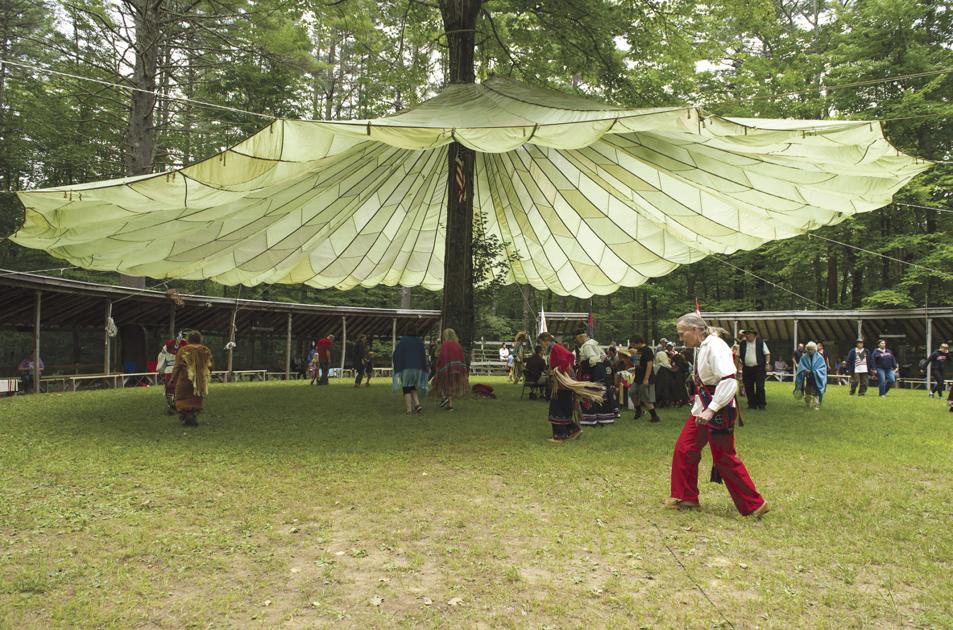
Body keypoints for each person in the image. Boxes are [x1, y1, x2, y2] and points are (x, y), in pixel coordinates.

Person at [669, 313, 769, 518]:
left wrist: (712, 409)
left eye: (682, 333)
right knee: (685, 448)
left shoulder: (715, 346)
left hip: (717, 409)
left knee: (724, 457)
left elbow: (729, 380)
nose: (680, 338)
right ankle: (687, 497)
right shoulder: (704, 346)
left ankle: (755, 504)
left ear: (695, 330)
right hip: (704, 407)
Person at [537, 332, 583, 442]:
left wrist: (558, 371)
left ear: (546, 340)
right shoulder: (556, 347)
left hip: (562, 382)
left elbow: (567, 358)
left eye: (541, 343)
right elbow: (570, 357)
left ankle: (560, 436)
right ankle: (573, 430)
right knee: (562, 405)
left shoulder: (556, 348)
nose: (541, 345)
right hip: (563, 381)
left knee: (557, 407)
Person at [169, 331, 213, 426]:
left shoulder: (183, 350)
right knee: (195, 399)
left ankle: (186, 417)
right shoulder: (205, 350)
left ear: (188, 339)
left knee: (181, 398)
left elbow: (177, 366)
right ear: (199, 339)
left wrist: (172, 379)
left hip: (185, 379)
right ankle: (192, 415)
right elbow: (210, 366)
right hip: (199, 381)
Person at [575, 328, 617, 425]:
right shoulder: (594, 343)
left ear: (581, 337)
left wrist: (589, 370)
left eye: (578, 339)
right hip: (600, 369)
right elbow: (603, 356)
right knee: (601, 392)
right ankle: (604, 417)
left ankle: (590, 418)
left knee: (591, 392)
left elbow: (593, 358)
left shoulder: (587, 345)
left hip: (592, 371)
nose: (578, 341)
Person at [432, 328, 469, 411]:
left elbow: (441, 355)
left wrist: (439, 360)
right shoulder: (458, 345)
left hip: (447, 368)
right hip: (457, 368)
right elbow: (461, 356)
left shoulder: (445, 345)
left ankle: (444, 397)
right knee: (451, 386)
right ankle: (450, 405)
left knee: (439, 383)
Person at [393, 335, 428, 414]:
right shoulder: (419, 341)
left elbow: (396, 354)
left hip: (406, 367)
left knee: (406, 388)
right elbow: (423, 355)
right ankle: (417, 404)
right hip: (417, 368)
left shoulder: (403, 341)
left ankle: (409, 410)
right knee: (412, 386)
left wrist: (398, 364)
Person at [630, 336, 660, 423]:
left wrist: (646, 379)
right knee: (632, 392)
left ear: (639, 343)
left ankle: (655, 416)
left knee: (645, 397)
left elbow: (649, 365)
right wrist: (633, 356)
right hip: (638, 377)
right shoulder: (638, 350)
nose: (633, 346)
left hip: (646, 377)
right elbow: (637, 363)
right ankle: (639, 410)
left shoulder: (647, 351)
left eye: (634, 345)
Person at [739, 329, 770, 410]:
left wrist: (767, 364)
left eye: (749, 334)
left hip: (759, 368)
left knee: (760, 386)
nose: (747, 335)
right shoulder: (742, 344)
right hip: (747, 368)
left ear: (754, 335)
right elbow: (738, 356)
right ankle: (752, 405)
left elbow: (767, 354)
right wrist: (737, 367)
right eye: (746, 334)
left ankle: (762, 405)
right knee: (748, 387)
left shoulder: (761, 343)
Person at [156, 336, 185, 415]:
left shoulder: (166, 346)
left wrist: (161, 369)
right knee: (181, 388)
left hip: (170, 370)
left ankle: (172, 407)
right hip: (181, 370)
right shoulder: (186, 345)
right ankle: (180, 406)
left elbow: (161, 357)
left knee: (170, 389)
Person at [794, 341, 827, 410]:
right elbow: (800, 367)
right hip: (808, 377)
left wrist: (814, 371)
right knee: (808, 390)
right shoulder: (804, 357)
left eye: (811, 349)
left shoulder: (819, 357)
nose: (809, 351)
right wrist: (805, 370)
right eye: (808, 349)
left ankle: (816, 405)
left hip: (817, 377)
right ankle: (808, 404)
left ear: (815, 349)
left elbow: (823, 368)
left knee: (816, 391)